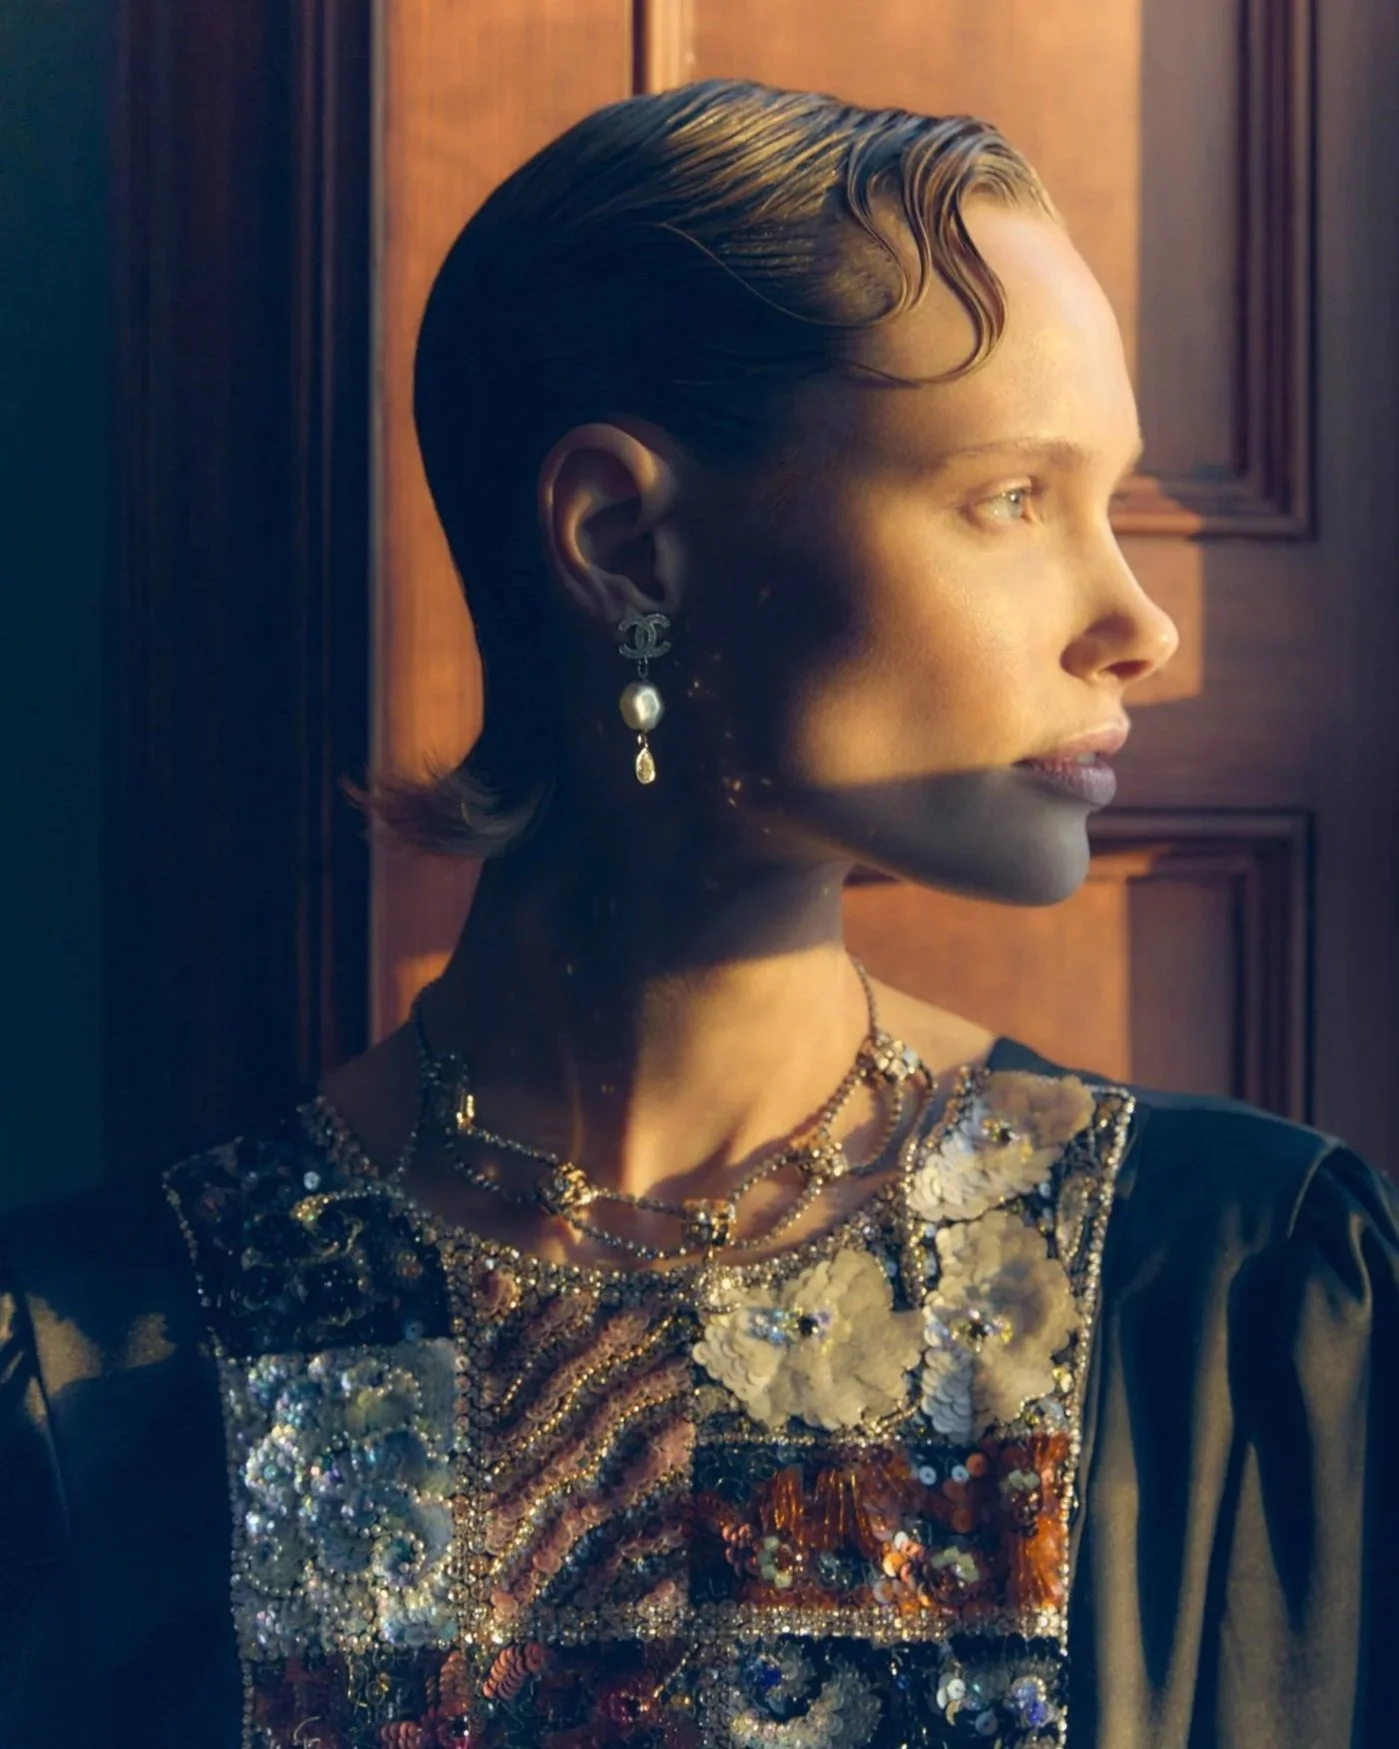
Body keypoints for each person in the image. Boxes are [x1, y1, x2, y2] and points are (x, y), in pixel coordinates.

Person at [1, 79, 1394, 1749]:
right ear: (622, 543)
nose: (1139, 622)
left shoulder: (1248, 1297)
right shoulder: (101, 1364)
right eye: (1013, 497)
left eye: (1109, 499)